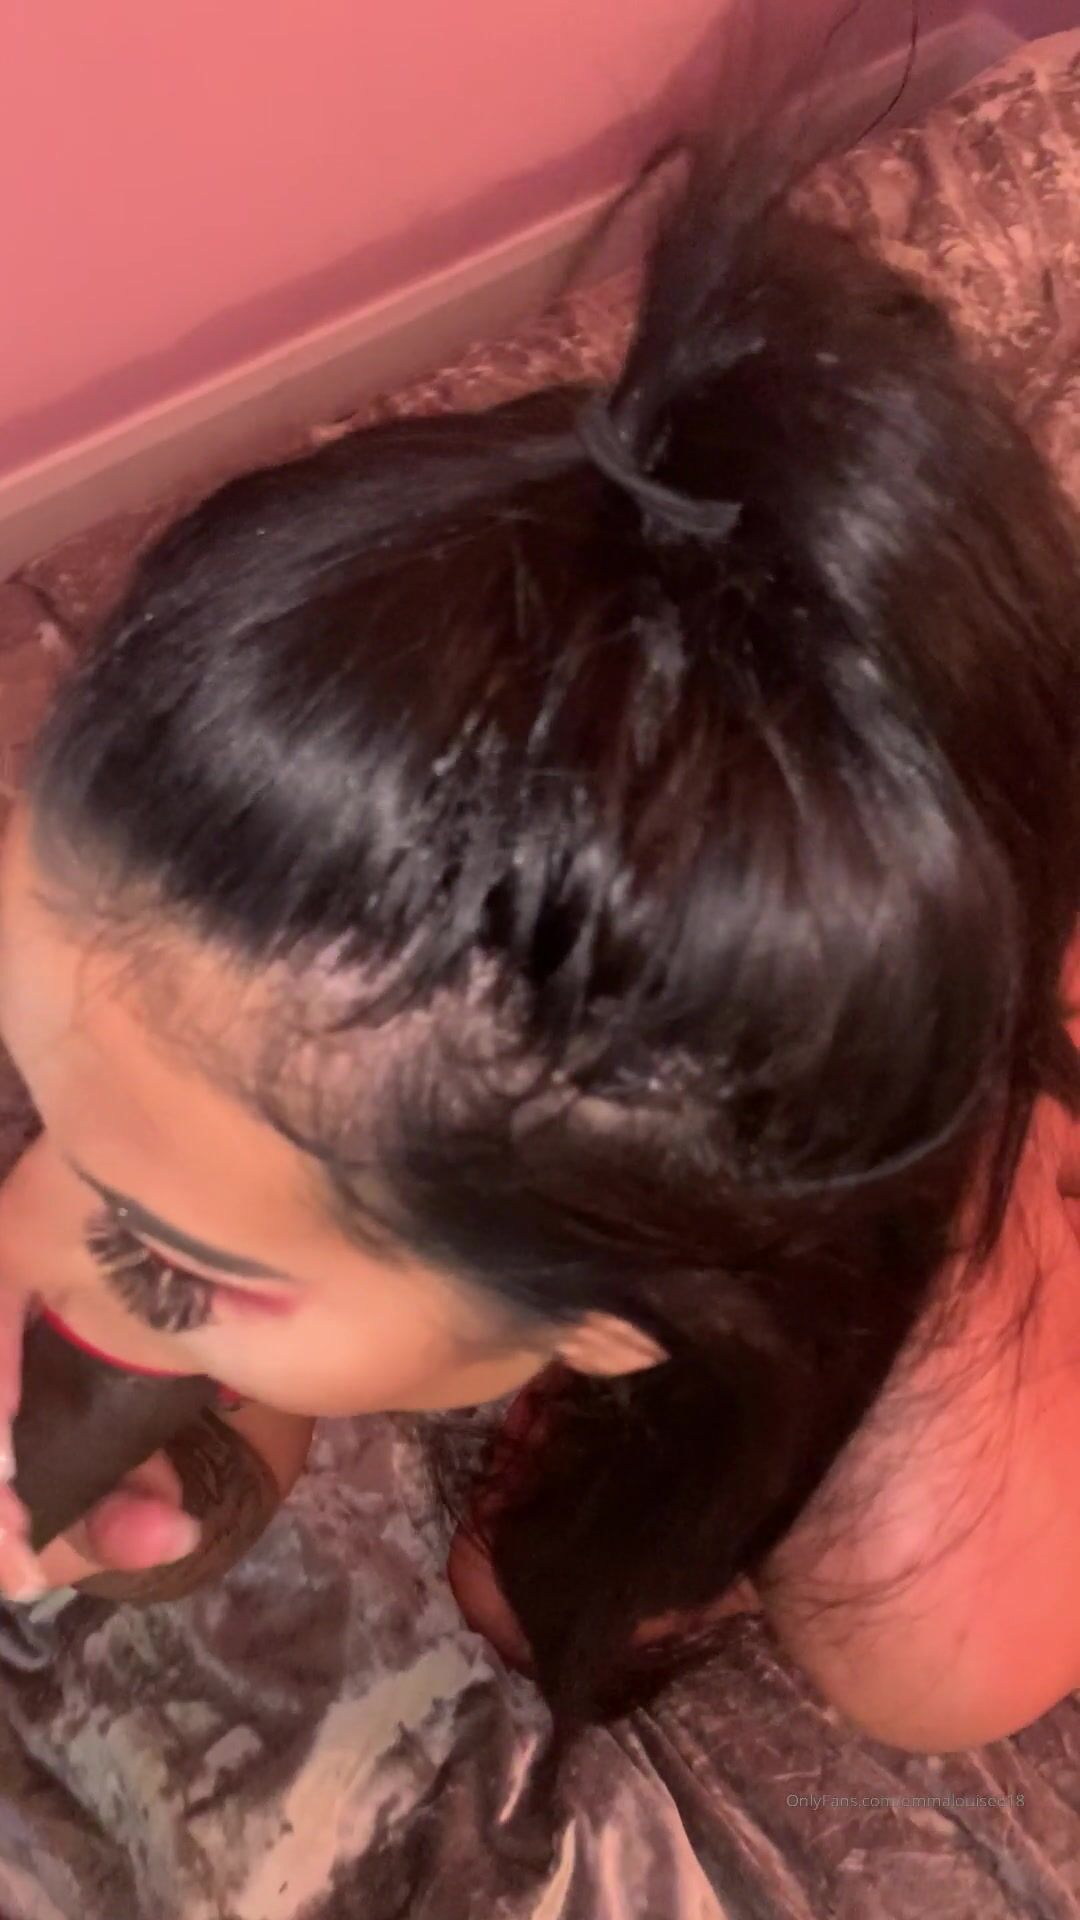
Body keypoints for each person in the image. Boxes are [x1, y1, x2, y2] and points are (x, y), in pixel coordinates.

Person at [0, 128, 1076, 1753]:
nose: (35, 1220)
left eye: (163, 1252)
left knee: (564, 1598)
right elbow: (250, 1218)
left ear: (609, 1318)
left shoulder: (947, 1598)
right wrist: (172, 1467)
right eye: (42, 1091)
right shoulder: (259, 1003)